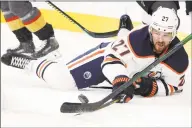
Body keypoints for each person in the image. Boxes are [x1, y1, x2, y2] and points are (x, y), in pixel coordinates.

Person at [1, 7, 189, 103]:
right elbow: (112, 59)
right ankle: (31, 64)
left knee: (126, 52)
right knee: (62, 81)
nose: (161, 39)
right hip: (108, 57)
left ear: (174, 34)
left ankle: (123, 29)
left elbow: (174, 86)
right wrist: (120, 78)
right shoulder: (136, 41)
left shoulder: (178, 58)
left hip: (130, 69)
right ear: (150, 29)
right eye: (157, 32)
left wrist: (150, 87)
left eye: (166, 34)